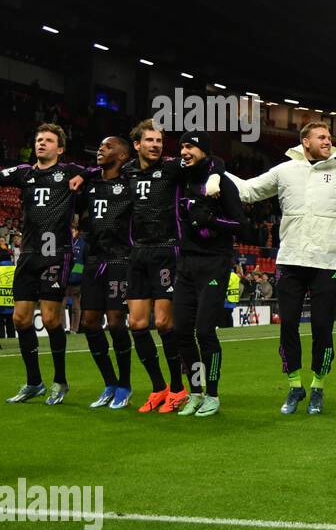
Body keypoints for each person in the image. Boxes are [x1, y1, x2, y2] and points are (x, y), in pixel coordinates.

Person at [227, 121, 336, 415]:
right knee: (287, 324)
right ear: (305, 140)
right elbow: (248, 191)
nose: (328, 141)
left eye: (329, 136)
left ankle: (318, 387)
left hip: (327, 261)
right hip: (290, 260)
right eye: (321, 137)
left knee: (322, 328)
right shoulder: (284, 170)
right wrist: (215, 169)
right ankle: (294, 385)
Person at [1, 123, 85, 404]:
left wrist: (83, 176)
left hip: (55, 252)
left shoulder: (70, 171)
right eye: (39, 140)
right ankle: (34, 382)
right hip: (28, 254)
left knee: (50, 319)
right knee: (20, 319)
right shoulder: (24, 173)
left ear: (60, 149)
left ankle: (60, 381)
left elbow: (96, 171)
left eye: (48, 140)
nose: (42, 144)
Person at [123, 118, 199, 413]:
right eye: (150, 140)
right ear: (137, 145)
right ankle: (158, 388)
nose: (156, 145)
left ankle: (179, 389)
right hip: (138, 252)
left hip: (167, 250)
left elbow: (207, 161)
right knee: (137, 324)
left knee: (165, 323)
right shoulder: (127, 171)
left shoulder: (171, 168)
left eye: (159, 140)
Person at [171, 132, 250, 417]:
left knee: (204, 331)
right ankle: (195, 392)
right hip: (186, 264)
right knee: (181, 331)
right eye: (182, 146)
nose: (184, 151)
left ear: (203, 150)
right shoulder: (182, 178)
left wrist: (211, 219)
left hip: (214, 264)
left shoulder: (223, 184)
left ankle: (213, 395)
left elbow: (242, 225)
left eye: (190, 146)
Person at [77, 136, 135, 409]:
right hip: (93, 260)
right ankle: (109, 382)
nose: (101, 148)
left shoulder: (130, 184)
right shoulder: (88, 183)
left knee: (115, 322)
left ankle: (125, 384)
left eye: (108, 146)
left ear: (122, 156)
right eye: (100, 145)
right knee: (89, 322)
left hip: (120, 259)